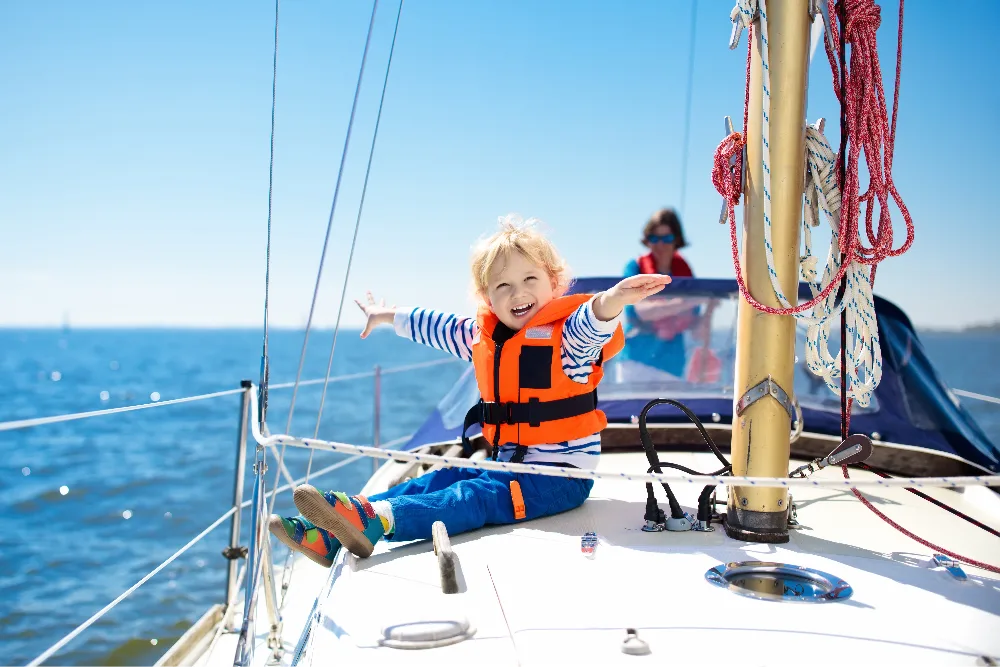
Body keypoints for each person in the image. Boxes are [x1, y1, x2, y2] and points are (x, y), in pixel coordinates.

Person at [268, 215, 671, 566]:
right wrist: (387, 315)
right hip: (507, 462)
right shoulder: (484, 336)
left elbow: (593, 321)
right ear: (487, 298)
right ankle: (335, 533)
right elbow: (436, 325)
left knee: (472, 496)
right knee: (440, 478)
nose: (518, 293)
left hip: (558, 478)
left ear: (553, 283)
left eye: (530, 279)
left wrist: (615, 298)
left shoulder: (569, 343)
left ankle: (382, 520)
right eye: (503, 286)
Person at [619, 208, 697, 377]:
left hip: (673, 364)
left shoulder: (685, 273)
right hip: (635, 363)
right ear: (647, 240)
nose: (660, 245)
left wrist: (710, 307)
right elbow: (641, 312)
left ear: (676, 240)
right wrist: (685, 303)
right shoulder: (634, 268)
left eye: (667, 238)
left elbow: (695, 323)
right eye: (654, 238)